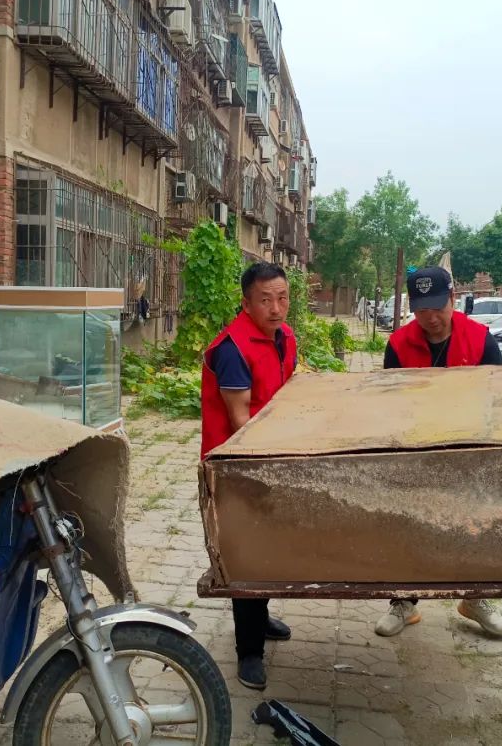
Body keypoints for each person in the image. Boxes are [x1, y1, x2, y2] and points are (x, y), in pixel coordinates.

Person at [374, 266, 502, 639]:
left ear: (453, 299)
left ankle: (476, 599)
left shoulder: (480, 340)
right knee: (410, 527)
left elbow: (498, 397)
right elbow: (388, 402)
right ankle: (404, 602)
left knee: (475, 528)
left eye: (438, 307)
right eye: (422, 310)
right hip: (415, 451)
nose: (431, 318)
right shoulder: (399, 344)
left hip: (469, 451)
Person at [200, 262, 297, 691]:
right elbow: (240, 419)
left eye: (282, 298)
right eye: (265, 300)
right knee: (245, 556)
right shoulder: (232, 349)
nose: (276, 308)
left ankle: (261, 615)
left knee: (270, 547)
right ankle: (249, 651)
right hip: (235, 467)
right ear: (246, 303)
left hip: (270, 457)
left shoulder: (285, 337)